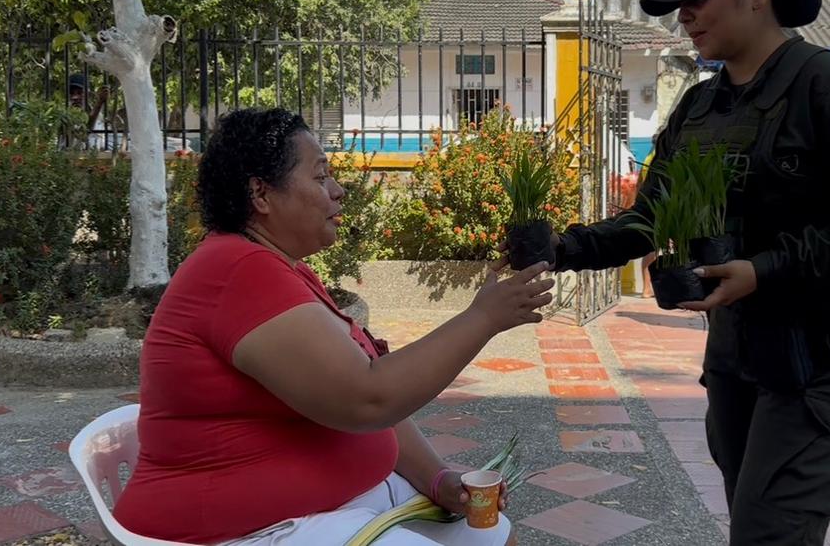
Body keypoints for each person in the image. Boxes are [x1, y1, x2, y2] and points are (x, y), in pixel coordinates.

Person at [507, 0, 830, 544]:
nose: (685, 15)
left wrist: (764, 268)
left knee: (768, 529)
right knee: (750, 515)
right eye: (678, 3)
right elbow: (651, 218)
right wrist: (564, 249)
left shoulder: (829, 87)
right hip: (741, 347)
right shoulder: (700, 106)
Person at [113, 108, 553, 545]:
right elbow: (368, 399)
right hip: (240, 529)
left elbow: (370, 402)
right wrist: (483, 318)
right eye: (321, 177)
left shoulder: (278, 267)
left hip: (323, 506)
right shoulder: (238, 272)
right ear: (261, 194)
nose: (338, 191)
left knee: (492, 535)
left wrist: (437, 480)